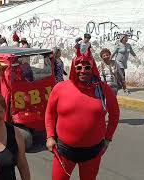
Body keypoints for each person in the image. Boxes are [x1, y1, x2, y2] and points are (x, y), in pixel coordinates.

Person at [45, 52, 120, 180]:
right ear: (74, 69)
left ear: (93, 68)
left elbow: (115, 114)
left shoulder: (103, 90)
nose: (83, 71)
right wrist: (50, 136)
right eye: (78, 67)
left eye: (87, 67)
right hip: (64, 151)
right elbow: (50, 113)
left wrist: (108, 138)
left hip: (93, 152)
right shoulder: (60, 88)